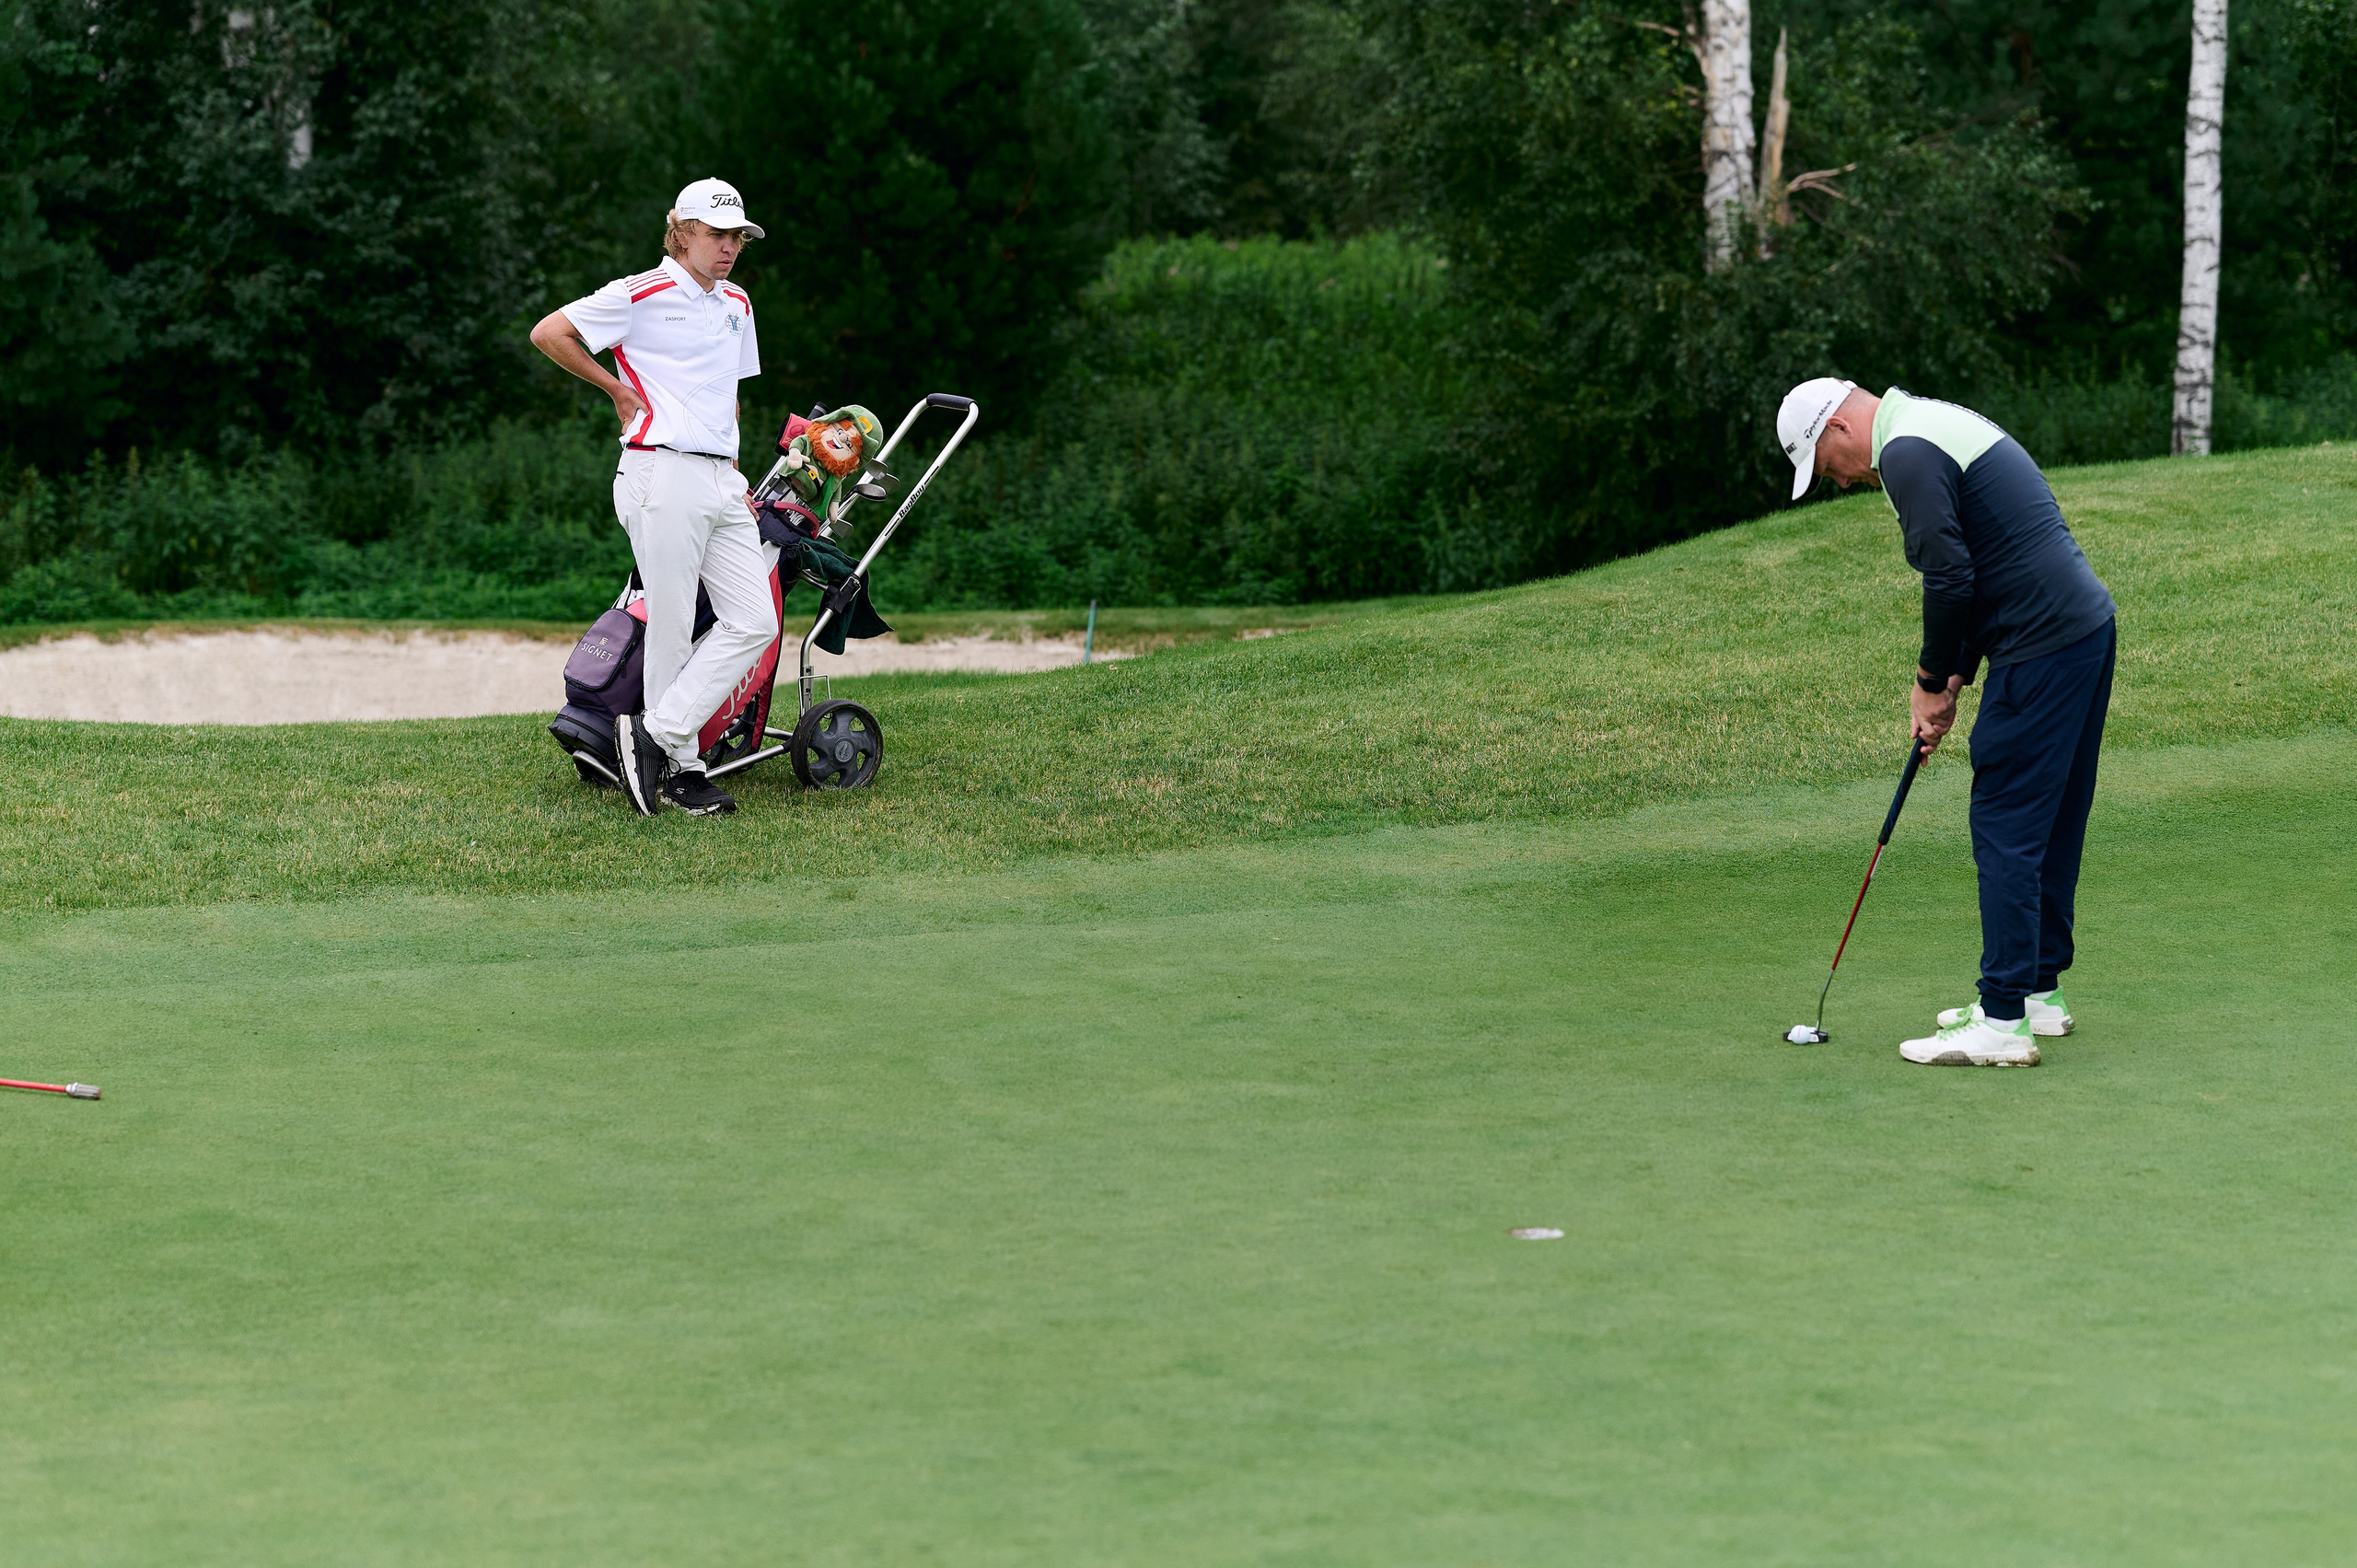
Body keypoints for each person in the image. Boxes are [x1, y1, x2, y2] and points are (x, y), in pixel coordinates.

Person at [1777, 379, 2118, 1068]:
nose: (1838, 482)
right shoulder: (1928, 424)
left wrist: (1930, 682)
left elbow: (1950, 579)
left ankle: (2002, 1021)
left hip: (2041, 645)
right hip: (2081, 630)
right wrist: (1956, 675)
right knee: (2050, 820)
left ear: (1838, 428)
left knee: (2007, 823)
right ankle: (2036, 994)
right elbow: (1984, 562)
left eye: (1827, 467)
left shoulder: (1906, 452)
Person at [528, 178, 778, 817]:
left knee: (754, 620)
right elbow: (549, 333)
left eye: (737, 237)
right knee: (671, 628)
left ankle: (655, 736)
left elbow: (728, 393)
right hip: (659, 473)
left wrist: (733, 471)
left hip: (721, 479)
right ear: (682, 233)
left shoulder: (738, 302)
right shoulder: (639, 293)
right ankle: (682, 770)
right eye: (717, 235)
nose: (729, 247)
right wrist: (615, 389)